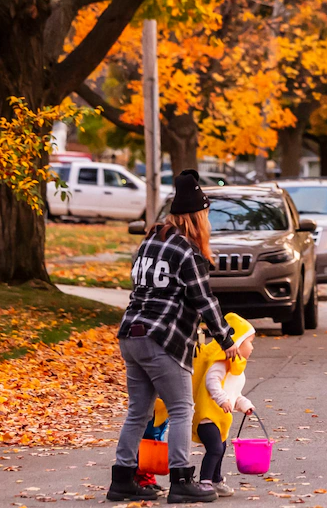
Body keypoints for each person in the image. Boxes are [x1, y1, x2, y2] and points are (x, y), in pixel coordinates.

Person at [107, 169, 237, 504]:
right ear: (198, 217)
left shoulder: (150, 240)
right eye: (206, 215)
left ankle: (122, 479)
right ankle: (181, 480)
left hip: (131, 333)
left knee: (138, 410)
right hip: (161, 338)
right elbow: (204, 301)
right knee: (181, 408)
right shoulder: (187, 251)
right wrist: (227, 340)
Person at [192, 313, 257, 497]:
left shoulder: (237, 370)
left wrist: (245, 405)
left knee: (221, 449)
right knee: (215, 449)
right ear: (238, 341)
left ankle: (216, 480)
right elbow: (211, 382)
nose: (252, 347)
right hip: (207, 415)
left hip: (221, 417)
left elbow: (234, 394)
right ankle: (205, 481)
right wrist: (221, 399)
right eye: (250, 342)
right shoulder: (221, 362)